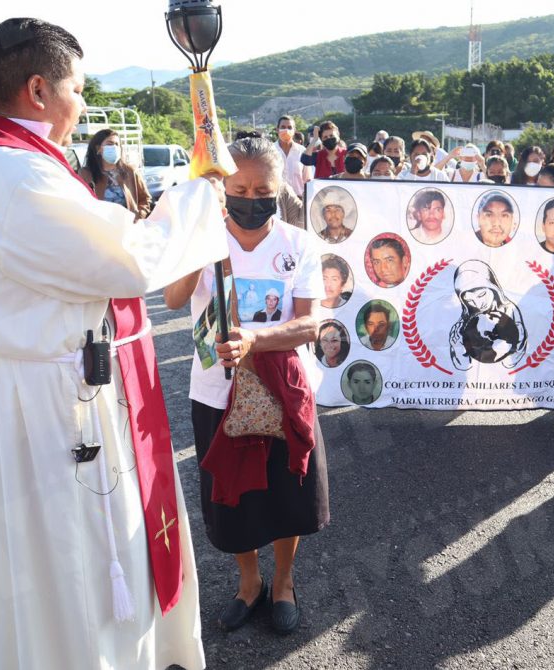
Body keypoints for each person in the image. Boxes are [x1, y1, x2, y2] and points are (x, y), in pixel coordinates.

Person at [0, 18, 228, 668]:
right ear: (39, 89)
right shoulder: (13, 177)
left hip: (20, 386)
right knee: (82, 565)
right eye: (80, 88)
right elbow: (129, 257)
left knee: (33, 572)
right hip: (54, 405)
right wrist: (201, 195)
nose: (85, 105)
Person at [164, 134, 329, 636]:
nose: (251, 199)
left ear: (281, 189)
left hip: (285, 394)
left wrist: (256, 339)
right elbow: (173, 300)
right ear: (222, 188)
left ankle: (283, 582)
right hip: (217, 392)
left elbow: (309, 325)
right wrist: (199, 239)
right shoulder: (205, 237)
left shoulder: (298, 245)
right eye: (240, 188)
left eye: (264, 191)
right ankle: (248, 582)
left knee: (287, 494)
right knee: (231, 497)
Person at [449, 260, 527, 370]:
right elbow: (462, 366)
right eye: (469, 300)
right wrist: (456, 346)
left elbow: (511, 363)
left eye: (481, 295)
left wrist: (518, 339)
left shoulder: (509, 309)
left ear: (493, 288)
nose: (478, 304)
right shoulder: (467, 317)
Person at [79, 128, 152, 219]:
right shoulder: (86, 174)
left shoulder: (130, 171)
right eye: (110, 144)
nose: (114, 147)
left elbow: (145, 199)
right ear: (98, 148)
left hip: (127, 226)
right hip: (99, 226)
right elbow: (80, 202)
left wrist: (139, 215)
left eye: (117, 144)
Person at [275, 115, 310, 198]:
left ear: (294, 131)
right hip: (276, 200)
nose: (286, 130)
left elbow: (308, 180)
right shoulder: (269, 151)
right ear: (277, 130)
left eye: (289, 127)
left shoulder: (302, 152)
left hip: (299, 199)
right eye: (283, 127)